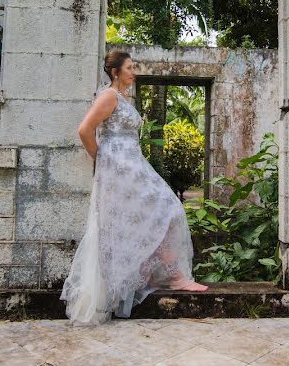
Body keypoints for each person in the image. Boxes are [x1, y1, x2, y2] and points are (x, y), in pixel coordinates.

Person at [61, 51, 208, 325]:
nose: (134, 72)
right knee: (166, 209)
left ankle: (156, 274)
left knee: (162, 213)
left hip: (135, 167)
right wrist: (103, 161)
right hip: (120, 171)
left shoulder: (123, 98)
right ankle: (176, 277)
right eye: (129, 68)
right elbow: (85, 130)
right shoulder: (108, 96)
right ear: (116, 71)